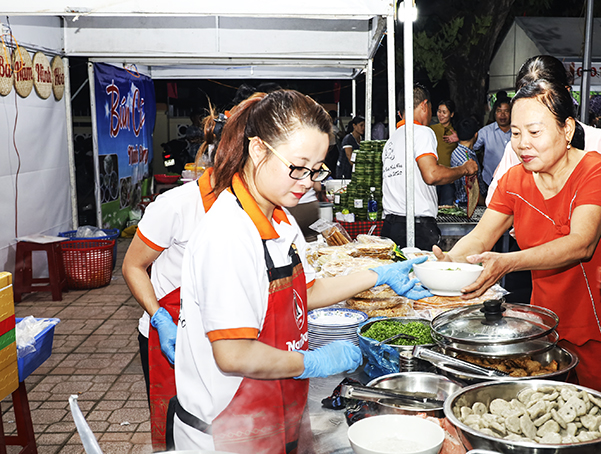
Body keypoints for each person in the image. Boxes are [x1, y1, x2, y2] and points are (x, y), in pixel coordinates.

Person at [171, 90, 432, 452]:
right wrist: (313, 361)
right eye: (298, 167)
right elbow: (233, 355)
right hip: (226, 430)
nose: (308, 181)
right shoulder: (228, 233)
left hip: (277, 417)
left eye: (316, 169)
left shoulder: (281, 221)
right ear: (258, 149)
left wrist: (378, 275)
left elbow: (303, 294)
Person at [435, 79, 601, 454]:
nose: (522, 143)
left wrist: (508, 262)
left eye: (534, 131)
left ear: (566, 129)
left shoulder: (597, 169)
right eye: (515, 132)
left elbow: (580, 244)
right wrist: (447, 263)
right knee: (550, 430)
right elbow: (481, 237)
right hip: (547, 329)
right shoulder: (515, 180)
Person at [122, 105, 225, 450]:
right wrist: (160, 317)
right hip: (170, 331)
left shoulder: (247, 207)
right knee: (177, 429)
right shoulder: (176, 205)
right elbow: (133, 267)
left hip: (219, 329)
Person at [487, 55, 601, 230]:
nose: (524, 143)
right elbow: (495, 213)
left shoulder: (600, 144)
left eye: (535, 132)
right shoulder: (518, 148)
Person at [381, 84, 478, 250]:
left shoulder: (392, 140)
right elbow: (431, 174)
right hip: (416, 228)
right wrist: (464, 169)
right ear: (424, 105)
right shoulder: (421, 132)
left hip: (391, 226)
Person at [474, 97, 511, 187]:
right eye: (499, 111)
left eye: (506, 111)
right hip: (490, 182)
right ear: (494, 113)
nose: (502, 115)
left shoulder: (519, 131)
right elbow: (472, 146)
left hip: (514, 182)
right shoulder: (485, 131)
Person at [449, 116, 484, 205]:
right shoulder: (467, 159)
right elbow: (472, 193)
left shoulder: (457, 152)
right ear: (476, 135)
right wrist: (486, 205)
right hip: (469, 205)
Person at [430, 100, 459, 205]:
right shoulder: (431, 129)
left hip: (449, 178)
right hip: (434, 176)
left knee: (446, 208)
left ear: (451, 114)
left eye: (444, 112)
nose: (440, 115)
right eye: (439, 111)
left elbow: (471, 145)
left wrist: (458, 138)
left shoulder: (457, 131)